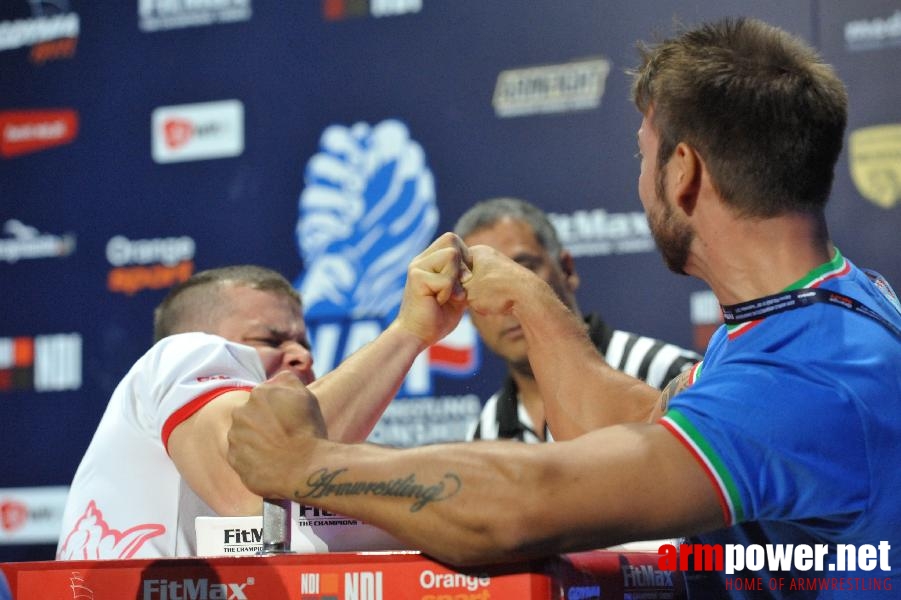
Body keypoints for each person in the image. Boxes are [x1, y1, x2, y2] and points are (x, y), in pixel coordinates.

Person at [227, 18, 901, 598]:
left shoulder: (807, 378)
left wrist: (304, 463)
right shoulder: (817, 312)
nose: (639, 184)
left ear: (684, 171)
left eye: (641, 157)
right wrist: (531, 301)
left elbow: (522, 507)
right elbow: (637, 431)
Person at [57, 251, 466, 559]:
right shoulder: (178, 355)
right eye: (269, 341)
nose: (301, 357)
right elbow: (254, 477)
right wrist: (410, 331)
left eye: (304, 343)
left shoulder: (324, 463)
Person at [454, 197, 700, 442]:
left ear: (566, 270)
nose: (505, 302)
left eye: (523, 272)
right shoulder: (484, 434)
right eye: (482, 286)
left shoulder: (668, 371)